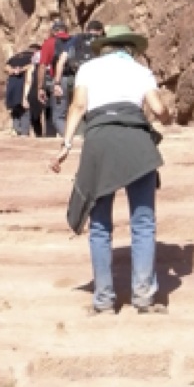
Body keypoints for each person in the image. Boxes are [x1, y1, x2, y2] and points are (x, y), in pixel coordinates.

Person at [51, 23, 172, 314]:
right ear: (130, 47)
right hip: (136, 141)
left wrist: (66, 145)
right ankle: (143, 297)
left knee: (100, 225)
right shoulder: (141, 71)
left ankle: (104, 300)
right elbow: (158, 110)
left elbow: (78, 107)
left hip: (100, 141)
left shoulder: (88, 69)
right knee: (143, 222)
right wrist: (166, 117)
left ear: (104, 47)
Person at [37, 19, 70, 138]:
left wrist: (40, 87)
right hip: (79, 80)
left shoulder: (50, 42)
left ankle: (69, 139)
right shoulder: (74, 40)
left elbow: (42, 66)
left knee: (58, 117)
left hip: (59, 81)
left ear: (53, 31)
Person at [5, 48, 33, 136]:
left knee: (16, 108)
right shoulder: (31, 57)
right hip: (23, 84)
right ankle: (23, 131)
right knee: (24, 109)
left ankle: (17, 129)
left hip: (13, 85)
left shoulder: (14, 58)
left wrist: (14, 70)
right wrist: (21, 70)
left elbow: (6, 67)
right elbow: (31, 66)